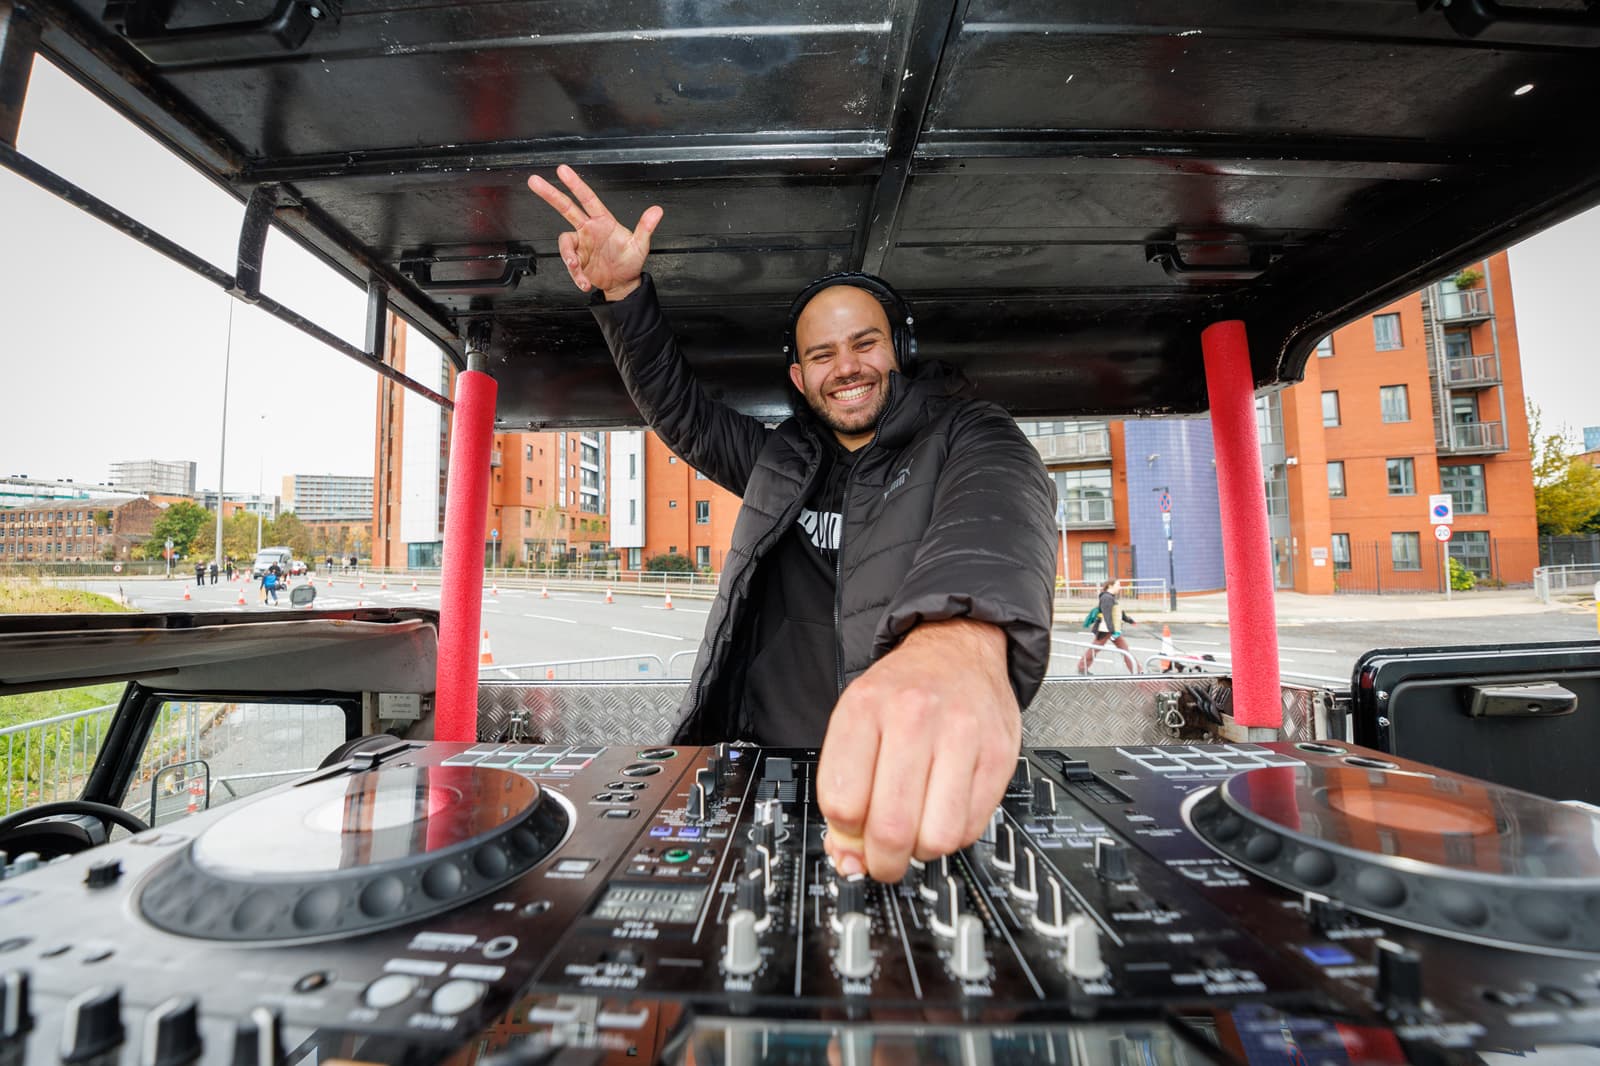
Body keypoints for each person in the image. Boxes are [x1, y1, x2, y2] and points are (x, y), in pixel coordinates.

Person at [529, 165, 1057, 883]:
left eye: (864, 344)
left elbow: (1003, 504)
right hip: (761, 773)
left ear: (897, 350)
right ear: (801, 379)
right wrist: (622, 294)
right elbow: (679, 412)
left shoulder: (966, 432)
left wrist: (961, 641)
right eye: (822, 355)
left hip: (905, 774)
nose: (848, 367)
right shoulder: (778, 459)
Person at [1077, 579, 1140, 674]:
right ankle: (1082, 668)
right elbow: (1107, 616)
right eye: (1118, 585)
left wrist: (1130, 620)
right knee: (1095, 648)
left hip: (1112, 629)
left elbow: (1118, 613)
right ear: (1110, 586)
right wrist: (1113, 631)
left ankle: (1137, 671)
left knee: (1124, 649)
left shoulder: (1111, 597)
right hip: (1105, 629)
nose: (1120, 587)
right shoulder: (1106, 598)